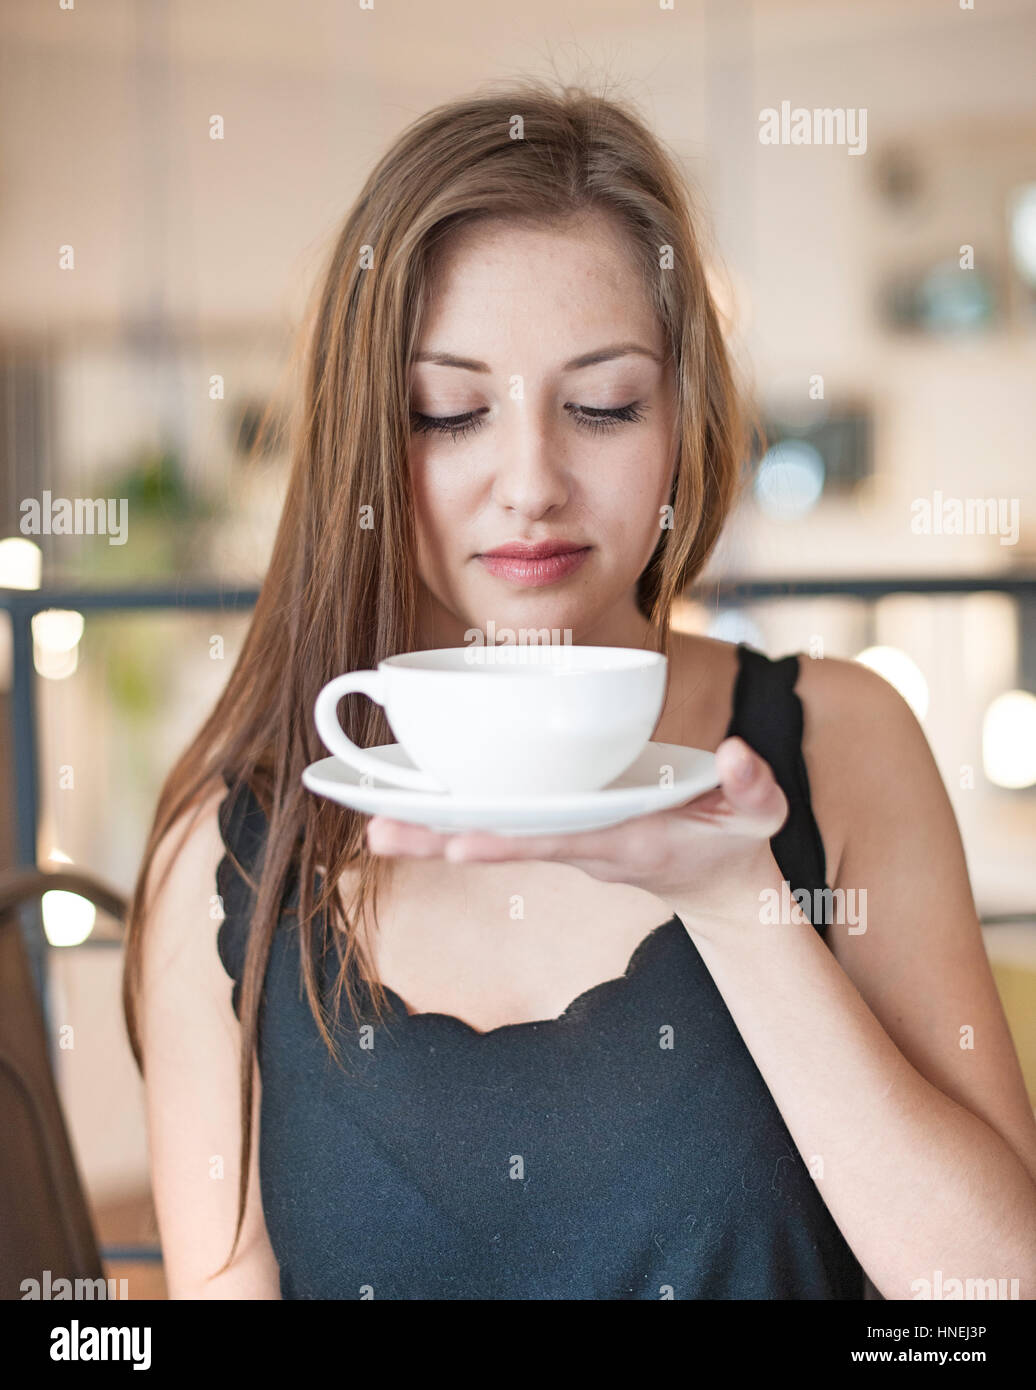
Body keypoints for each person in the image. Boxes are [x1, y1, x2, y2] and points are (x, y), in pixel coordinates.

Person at [123, 80, 1036, 1300]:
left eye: (601, 404)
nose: (531, 482)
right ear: (364, 440)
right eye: (447, 412)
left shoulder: (839, 739)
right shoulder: (229, 850)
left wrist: (734, 905)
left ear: (678, 419)